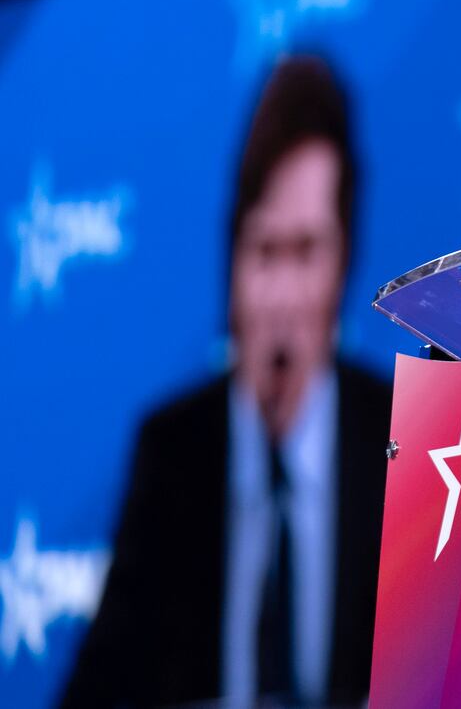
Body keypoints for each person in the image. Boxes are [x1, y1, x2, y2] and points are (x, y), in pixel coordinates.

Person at [60, 56, 391, 708]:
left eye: (306, 252)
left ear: (344, 263)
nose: (281, 297)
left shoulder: (397, 434)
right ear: (232, 263)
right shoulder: (174, 450)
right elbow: (95, 691)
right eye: (263, 252)